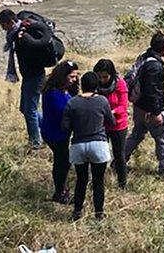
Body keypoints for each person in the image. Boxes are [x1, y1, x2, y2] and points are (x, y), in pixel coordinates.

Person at [0, 9, 54, 149]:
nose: (2, 28)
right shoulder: (16, 34)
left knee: (30, 111)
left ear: (11, 22)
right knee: (25, 109)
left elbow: (31, 54)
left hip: (35, 76)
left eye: (3, 25)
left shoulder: (22, 36)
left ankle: (36, 142)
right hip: (29, 77)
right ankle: (47, 130)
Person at [62, 71, 115, 221]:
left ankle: (77, 212)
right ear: (96, 85)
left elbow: (65, 126)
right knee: (98, 181)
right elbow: (112, 122)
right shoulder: (102, 101)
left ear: (81, 85)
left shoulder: (72, 102)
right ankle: (99, 214)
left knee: (81, 180)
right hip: (98, 144)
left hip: (78, 145)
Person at [125, 32, 164, 179]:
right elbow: (152, 91)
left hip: (138, 107)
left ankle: (119, 161)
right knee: (163, 138)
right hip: (149, 110)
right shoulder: (155, 67)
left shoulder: (144, 57)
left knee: (136, 135)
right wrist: (155, 113)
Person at [40, 61, 79, 204]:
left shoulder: (65, 90)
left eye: (76, 76)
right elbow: (63, 113)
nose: (74, 80)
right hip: (54, 133)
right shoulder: (52, 93)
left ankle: (61, 188)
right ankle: (59, 192)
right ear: (63, 76)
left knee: (64, 160)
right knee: (62, 161)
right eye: (71, 76)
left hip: (62, 132)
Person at [94, 59, 129, 189]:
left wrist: (110, 112)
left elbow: (123, 106)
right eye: (99, 77)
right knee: (100, 155)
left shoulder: (120, 84)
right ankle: (98, 183)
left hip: (118, 125)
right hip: (101, 125)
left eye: (105, 77)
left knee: (119, 155)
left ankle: (122, 184)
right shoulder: (95, 85)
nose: (102, 80)